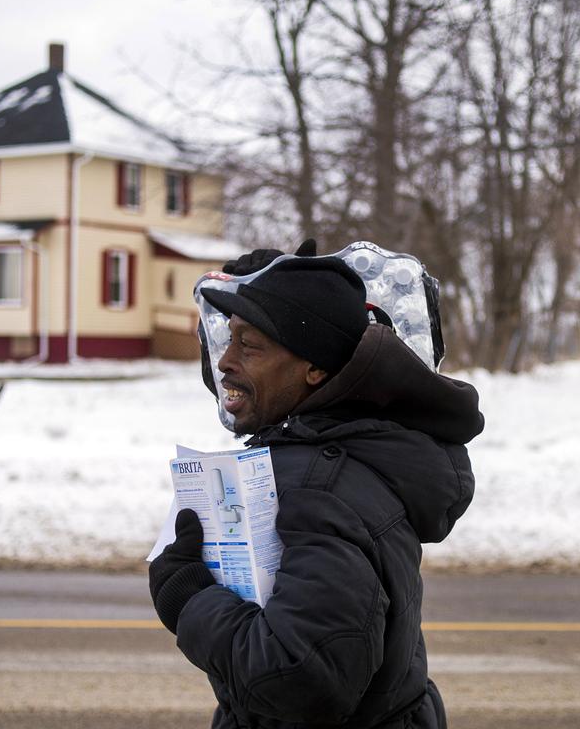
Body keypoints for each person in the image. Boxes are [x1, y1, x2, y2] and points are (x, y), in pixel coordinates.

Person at [149, 242, 484, 729]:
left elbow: (300, 679)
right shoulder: (351, 452)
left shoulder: (319, 489)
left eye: (251, 345)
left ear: (316, 370)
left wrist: (189, 597)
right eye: (229, 339)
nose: (224, 362)